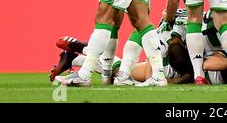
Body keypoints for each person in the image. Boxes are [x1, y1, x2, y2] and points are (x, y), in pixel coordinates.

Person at [51, 10, 193, 85]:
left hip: (168, 57)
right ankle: (82, 50)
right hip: (165, 62)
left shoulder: (183, 20)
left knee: (120, 72)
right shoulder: (181, 30)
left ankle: (76, 57)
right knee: (121, 73)